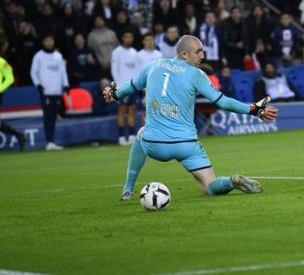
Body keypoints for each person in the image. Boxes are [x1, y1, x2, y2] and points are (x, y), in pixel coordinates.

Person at [103, 35, 278, 200]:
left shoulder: (153, 66)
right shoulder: (197, 75)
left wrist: (114, 94)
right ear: (184, 54)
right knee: (209, 187)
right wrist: (255, 109)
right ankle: (229, 182)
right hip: (186, 145)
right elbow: (223, 102)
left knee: (141, 133)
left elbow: (129, 87)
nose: (202, 55)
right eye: (198, 52)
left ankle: (127, 189)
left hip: (155, 144)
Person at [30, 33, 70, 151]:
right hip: (46, 91)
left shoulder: (58, 56)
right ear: (43, 42)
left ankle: (52, 141)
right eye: (47, 40)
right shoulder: (39, 56)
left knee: (53, 116)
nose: (49, 43)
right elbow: (33, 72)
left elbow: (63, 72)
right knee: (47, 116)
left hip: (56, 90)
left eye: (51, 40)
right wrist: (38, 84)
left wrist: (66, 85)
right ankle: (49, 141)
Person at [112, 29, 139, 146]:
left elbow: (137, 70)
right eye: (126, 37)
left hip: (132, 86)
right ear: (122, 38)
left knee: (132, 110)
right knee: (121, 110)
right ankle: (121, 137)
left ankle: (132, 136)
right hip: (121, 86)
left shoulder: (135, 52)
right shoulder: (117, 52)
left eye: (130, 37)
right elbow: (114, 69)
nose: (128, 39)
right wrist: (117, 87)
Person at [136, 32, 162, 127]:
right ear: (143, 42)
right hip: (145, 88)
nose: (150, 42)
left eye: (151, 39)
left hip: (158, 87)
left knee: (158, 111)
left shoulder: (159, 54)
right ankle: (143, 136)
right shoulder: (139, 55)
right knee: (146, 111)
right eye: (147, 40)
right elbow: (138, 72)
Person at [0, 55, 25, 150]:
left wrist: (0, 89)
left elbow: (10, 78)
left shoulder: (1, 62)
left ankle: (19, 135)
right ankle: (19, 135)